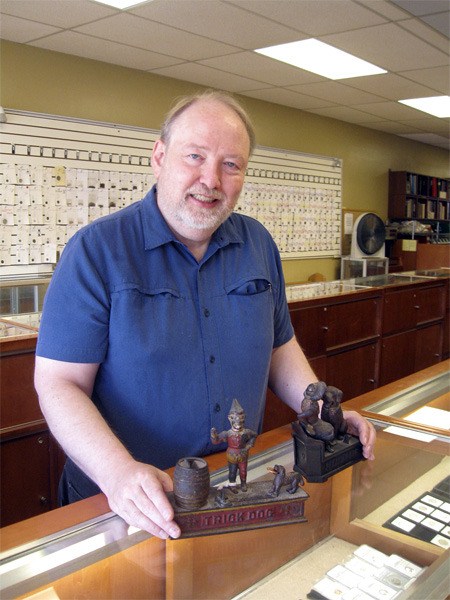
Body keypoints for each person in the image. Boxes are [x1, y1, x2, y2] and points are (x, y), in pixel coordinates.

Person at [34, 90, 376, 541]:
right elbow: (58, 384)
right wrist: (118, 473)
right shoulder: (96, 251)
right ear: (159, 157)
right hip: (126, 499)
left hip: (229, 485)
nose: (210, 179)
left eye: (231, 164)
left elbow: (279, 345)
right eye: (194, 156)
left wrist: (321, 412)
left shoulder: (258, 244)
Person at [210, 399, 258, 491]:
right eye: (236, 421)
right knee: (232, 472)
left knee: (243, 471)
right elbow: (215, 441)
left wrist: (249, 445)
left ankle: (243, 484)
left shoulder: (246, 432)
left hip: (243, 455)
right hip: (232, 456)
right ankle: (232, 485)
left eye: (241, 420)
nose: (238, 423)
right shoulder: (227, 433)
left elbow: (254, 435)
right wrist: (213, 435)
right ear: (230, 419)